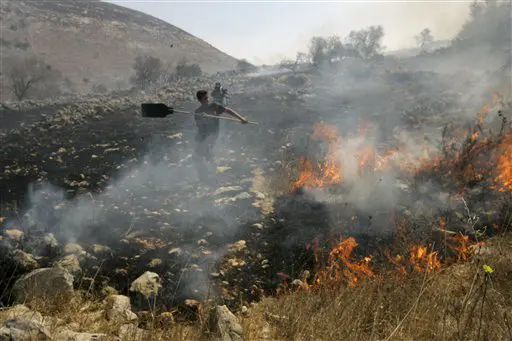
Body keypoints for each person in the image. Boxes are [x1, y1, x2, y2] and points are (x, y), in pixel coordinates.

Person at [193, 90, 248, 181]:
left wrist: (241, 118)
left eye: (207, 97)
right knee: (197, 157)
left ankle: (209, 176)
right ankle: (206, 175)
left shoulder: (214, 106)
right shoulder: (198, 112)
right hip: (201, 136)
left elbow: (228, 111)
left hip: (212, 134)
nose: (207, 100)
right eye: (205, 98)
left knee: (203, 153)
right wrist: (204, 119)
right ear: (200, 100)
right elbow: (199, 125)